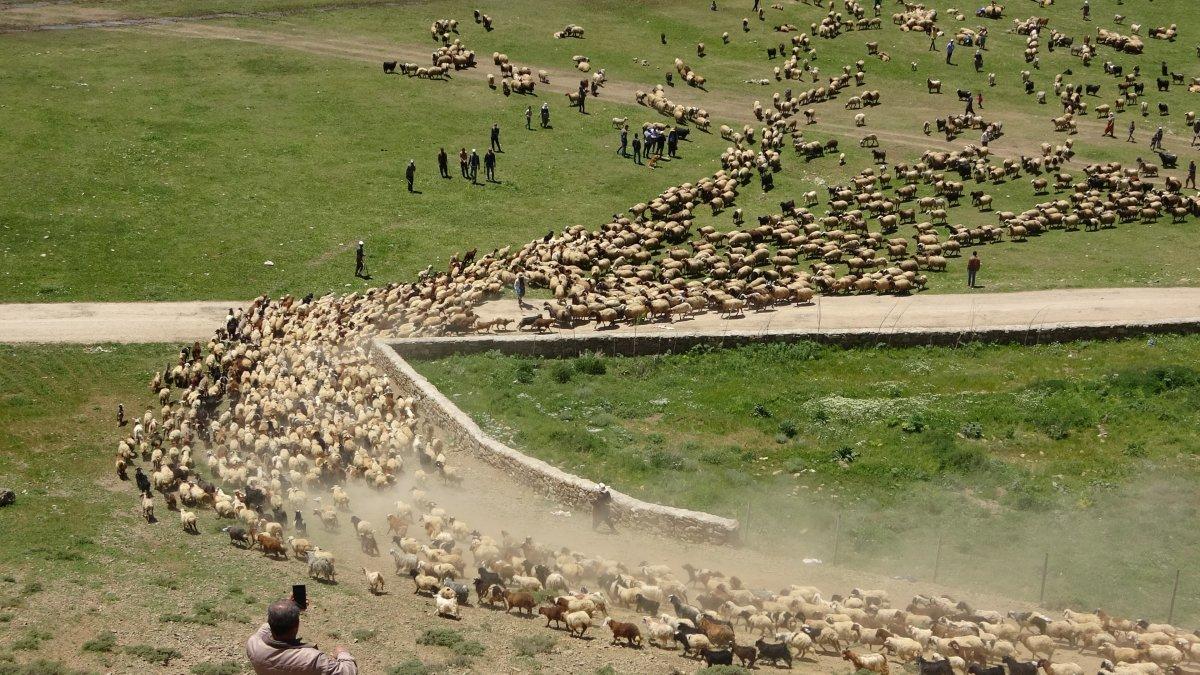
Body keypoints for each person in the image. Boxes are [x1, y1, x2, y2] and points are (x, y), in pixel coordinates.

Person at [246, 598, 357, 675]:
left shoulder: (253, 644)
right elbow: (348, 672)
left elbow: (267, 627)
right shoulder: (311, 659)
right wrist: (342, 653)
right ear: (297, 626)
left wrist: (289, 608)